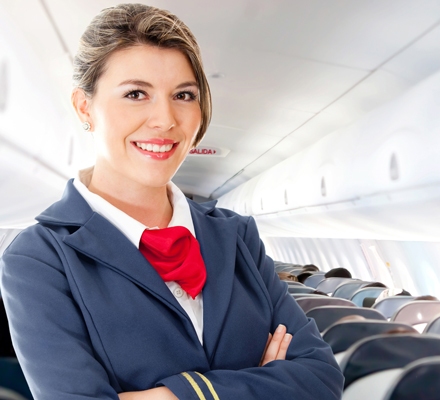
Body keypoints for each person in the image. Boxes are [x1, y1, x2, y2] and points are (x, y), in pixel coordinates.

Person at [0, 4, 343, 400]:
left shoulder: (236, 237)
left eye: (183, 95)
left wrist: (165, 395)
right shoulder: (39, 258)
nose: (164, 119)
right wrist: (263, 383)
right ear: (84, 107)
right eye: (135, 94)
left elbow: (321, 380)